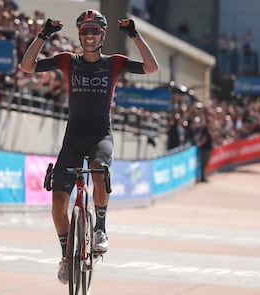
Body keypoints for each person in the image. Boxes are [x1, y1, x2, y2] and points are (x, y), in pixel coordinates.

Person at [19, 9, 159, 284]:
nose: (90, 36)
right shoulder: (67, 60)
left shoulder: (114, 63)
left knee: (98, 169)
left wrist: (134, 34)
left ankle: (101, 230)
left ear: (103, 35)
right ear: (79, 35)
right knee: (58, 203)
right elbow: (27, 66)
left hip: (100, 136)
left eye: (95, 31)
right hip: (73, 137)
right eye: (85, 31)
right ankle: (65, 255)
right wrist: (44, 35)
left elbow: (152, 67)